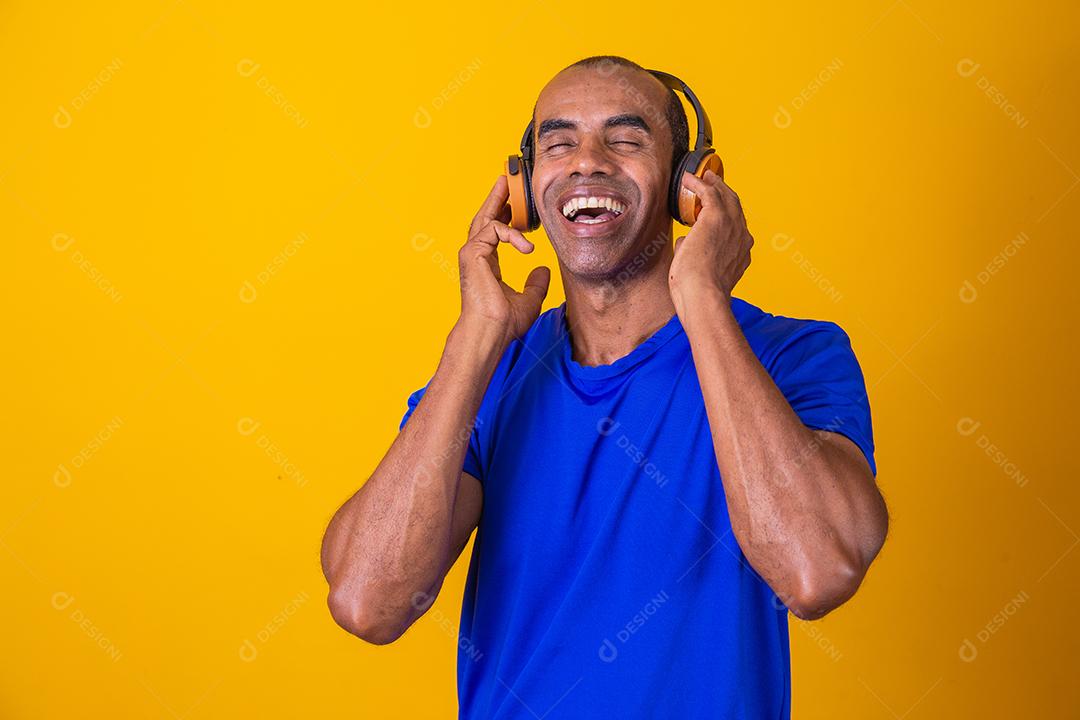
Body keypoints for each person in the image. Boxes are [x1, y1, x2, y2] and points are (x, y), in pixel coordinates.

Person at [320, 55, 889, 719]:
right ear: (525, 192)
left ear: (690, 185)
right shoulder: (489, 372)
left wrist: (702, 297)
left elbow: (817, 571)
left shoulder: (794, 354)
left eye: (626, 139)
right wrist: (476, 338)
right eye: (559, 143)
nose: (587, 162)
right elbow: (368, 600)